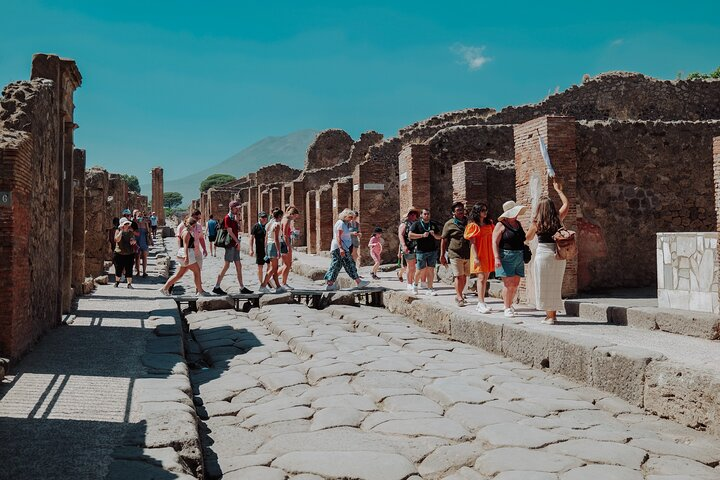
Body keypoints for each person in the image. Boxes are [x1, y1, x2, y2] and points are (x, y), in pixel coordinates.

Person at [525, 178, 570, 325]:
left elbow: (528, 238)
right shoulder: (558, 219)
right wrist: (559, 190)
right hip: (558, 255)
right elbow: (566, 204)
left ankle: (549, 317)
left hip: (543, 254)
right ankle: (553, 315)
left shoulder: (536, 222)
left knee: (544, 285)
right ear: (551, 207)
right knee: (555, 285)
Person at [493, 200, 527, 317]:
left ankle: (509, 303)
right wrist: (497, 257)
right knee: (508, 283)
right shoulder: (501, 225)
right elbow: (495, 242)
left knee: (516, 283)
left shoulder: (518, 224)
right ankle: (506, 307)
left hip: (518, 255)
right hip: (505, 256)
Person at [160, 216, 209, 296]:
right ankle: (200, 291)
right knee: (197, 271)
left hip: (184, 253)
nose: (194, 227)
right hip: (187, 253)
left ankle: (164, 288)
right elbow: (186, 245)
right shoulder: (187, 233)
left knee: (179, 275)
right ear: (190, 225)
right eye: (194, 226)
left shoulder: (185, 231)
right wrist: (186, 257)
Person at [324, 209, 370, 291]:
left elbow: (344, 234)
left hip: (341, 247)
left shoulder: (343, 224)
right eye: (350, 217)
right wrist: (341, 248)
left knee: (339, 265)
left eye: (352, 217)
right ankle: (358, 282)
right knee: (347, 264)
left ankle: (330, 283)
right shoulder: (341, 224)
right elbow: (338, 237)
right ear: (345, 216)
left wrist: (352, 234)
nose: (351, 219)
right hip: (340, 248)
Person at [213, 201, 252, 295]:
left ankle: (242, 287)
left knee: (239, 265)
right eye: (236, 208)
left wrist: (238, 220)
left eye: (238, 208)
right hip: (230, 245)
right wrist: (237, 241)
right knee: (226, 265)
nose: (238, 209)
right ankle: (216, 286)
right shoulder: (227, 218)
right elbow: (230, 231)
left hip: (234, 244)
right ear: (231, 208)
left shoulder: (233, 217)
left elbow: (239, 229)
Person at [464, 203, 495, 313]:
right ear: (477, 212)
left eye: (486, 210)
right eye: (482, 210)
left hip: (488, 253)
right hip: (479, 253)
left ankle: (482, 302)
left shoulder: (489, 223)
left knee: (485, 277)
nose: (485, 212)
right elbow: (472, 243)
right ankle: (480, 303)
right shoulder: (473, 226)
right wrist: (476, 257)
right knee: (481, 278)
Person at [441, 202, 470, 306]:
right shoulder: (449, 224)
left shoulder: (469, 222)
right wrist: (442, 255)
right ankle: (459, 297)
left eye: (462, 209)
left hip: (467, 253)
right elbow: (444, 240)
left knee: (465, 276)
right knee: (458, 276)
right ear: (453, 212)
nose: (461, 212)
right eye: (458, 210)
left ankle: (460, 294)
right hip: (455, 253)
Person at [408, 209, 443, 295]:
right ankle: (415, 285)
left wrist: (434, 235)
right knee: (420, 270)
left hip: (432, 250)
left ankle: (430, 288)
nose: (427, 215)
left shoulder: (433, 224)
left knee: (431, 270)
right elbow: (410, 235)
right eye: (425, 214)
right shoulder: (416, 224)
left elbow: (440, 237)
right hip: (421, 251)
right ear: (421, 215)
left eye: (428, 214)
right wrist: (422, 235)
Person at [260, 209, 286, 293]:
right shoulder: (277, 225)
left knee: (275, 268)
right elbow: (276, 239)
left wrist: (266, 248)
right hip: (274, 246)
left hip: (269, 245)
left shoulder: (269, 224)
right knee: (272, 268)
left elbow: (266, 237)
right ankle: (263, 285)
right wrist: (278, 251)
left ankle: (278, 286)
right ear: (279, 216)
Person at [277, 205, 300, 290]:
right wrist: (288, 246)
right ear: (292, 214)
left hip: (283, 242)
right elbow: (285, 234)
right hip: (285, 243)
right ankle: (283, 283)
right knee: (287, 264)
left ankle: (272, 278)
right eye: (295, 217)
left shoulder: (284, 218)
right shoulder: (287, 220)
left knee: (286, 264)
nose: (295, 219)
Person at [398, 209, 419, 293]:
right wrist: (403, 245)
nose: (413, 215)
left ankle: (413, 281)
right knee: (410, 266)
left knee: (414, 266)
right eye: (411, 214)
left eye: (414, 214)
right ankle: (409, 283)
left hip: (416, 247)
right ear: (408, 215)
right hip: (408, 247)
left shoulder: (417, 224)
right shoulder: (404, 225)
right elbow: (401, 235)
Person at [249, 211, 272, 290]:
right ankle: (261, 282)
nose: (264, 219)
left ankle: (267, 280)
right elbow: (251, 238)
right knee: (260, 267)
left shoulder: (268, 226)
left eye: (265, 217)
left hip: (268, 249)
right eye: (263, 217)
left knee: (270, 266)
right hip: (259, 249)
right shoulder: (256, 226)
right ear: (259, 218)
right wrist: (251, 249)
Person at [114, 217, 137, 289]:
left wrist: (133, 241)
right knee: (119, 268)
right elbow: (117, 240)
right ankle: (117, 282)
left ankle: (129, 283)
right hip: (119, 253)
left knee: (129, 268)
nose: (126, 225)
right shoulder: (117, 231)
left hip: (129, 253)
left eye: (127, 224)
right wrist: (121, 231)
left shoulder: (130, 232)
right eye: (125, 224)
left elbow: (133, 240)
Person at [134, 211, 153, 277]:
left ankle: (144, 272)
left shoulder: (145, 223)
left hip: (144, 241)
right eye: (138, 216)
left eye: (141, 216)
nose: (140, 217)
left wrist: (151, 240)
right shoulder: (134, 223)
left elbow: (148, 232)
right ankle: (138, 271)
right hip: (137, 241)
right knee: (137, 256)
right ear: (136, 216)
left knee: (144, 256)